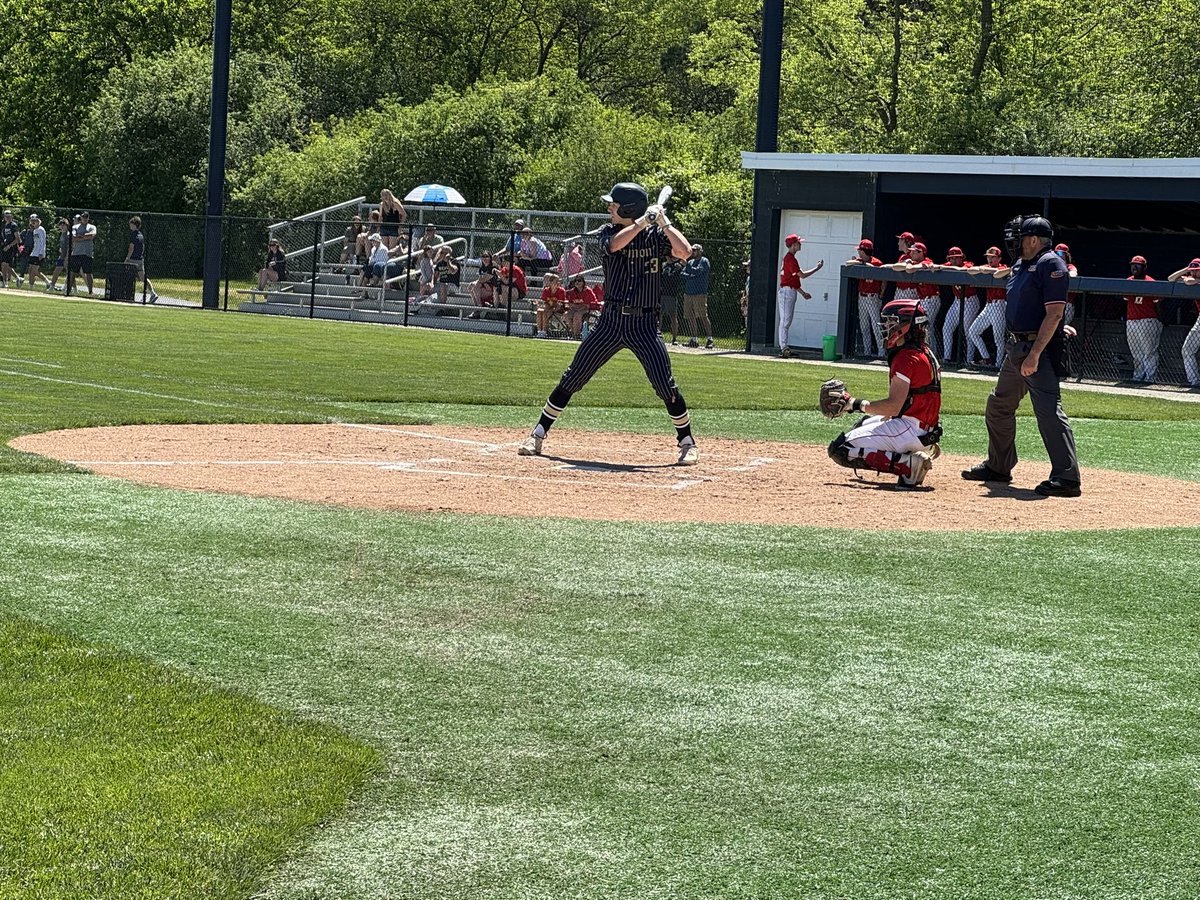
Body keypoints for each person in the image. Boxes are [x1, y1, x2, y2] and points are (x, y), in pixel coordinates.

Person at [517, 181, 699, 465]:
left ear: (627, 208)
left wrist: (664, 222)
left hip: (645, 323)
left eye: (614, 205)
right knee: (574, 376)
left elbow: (685, 252)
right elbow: (616, 245)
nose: (609, 209)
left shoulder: (655, 236)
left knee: (664, 384)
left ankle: (687, 442)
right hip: (611, 320)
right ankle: (538, 434)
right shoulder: (608, 232)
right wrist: (642, 221)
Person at [962, 215, 1081, 497]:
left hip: (1037, 350)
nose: (1013, 243)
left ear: (1032, 240)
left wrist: (1036, 354)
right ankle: (999, 466)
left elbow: (1054, 313)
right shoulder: (1020, 265)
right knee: (998, 405)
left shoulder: (1051, 263)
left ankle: (1067, 478)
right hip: (1016, 348)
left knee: (1049, 412)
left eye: (1018, 238)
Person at [826, 298, 941, 487]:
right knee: (862, 423)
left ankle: (908, 465)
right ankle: (911, 455)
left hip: (911, 429)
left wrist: (854, 403)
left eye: (891, 322)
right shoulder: (924, 351)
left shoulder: (906, 357)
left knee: (841, 448)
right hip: (923, 428)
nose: (886, 326)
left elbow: (894, 406)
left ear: (906, 325)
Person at [888, 242, 940, 355]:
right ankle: (930, 352)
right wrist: (907, 262)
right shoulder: (913, 261)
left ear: (921, 253)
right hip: (923, 299)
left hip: (932, 298)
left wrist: (910, 265)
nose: (911, 253)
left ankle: (932, 353)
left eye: (914, 251)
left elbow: (909, 270)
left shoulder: (927, 261)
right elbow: (895, 267)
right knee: (923, 327)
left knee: (927, 327)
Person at [777, 233, 823, 358]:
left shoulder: (790, 258)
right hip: (787, 292)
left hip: (789, 290)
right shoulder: (790, 259)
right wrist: (817, 268)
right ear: (793, 245)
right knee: (785, 321)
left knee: (786, 321)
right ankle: (783, 348)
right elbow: (802, 275)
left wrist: (802, 293)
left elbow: (793, 280)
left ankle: (784, 348)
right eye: (798, 243)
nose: (800, 244)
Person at [966, 246, 1009, 367]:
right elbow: (970, 271)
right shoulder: (986, 266)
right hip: (988, 305)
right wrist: (983, 269)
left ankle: (998, 365)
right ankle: (987, 358)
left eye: (993, 257)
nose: (990, 260)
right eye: (988, 257)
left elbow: (998, 274)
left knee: (998, 339)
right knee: (973, 331)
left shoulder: (1003, 267)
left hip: (1000, 305)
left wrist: (987, 270)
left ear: (999, 258)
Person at [935, 246, 977, 363]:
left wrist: (948, 267)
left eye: (956, 258)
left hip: (970, 301)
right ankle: (947, 358)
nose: (953, 261)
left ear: (962, 257)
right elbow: (936, 267)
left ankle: (969, 360)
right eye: (951, 258)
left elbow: (963, 270)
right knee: (947, 328)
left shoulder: (968, 264)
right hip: (957, 300)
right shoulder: (949, 265)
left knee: (968, 331)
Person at [1124, 254, 1160, 383]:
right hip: (1132, 319)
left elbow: (1158, 304)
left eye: (1138, 265)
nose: (1134, 267)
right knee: (1135, 351)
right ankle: (1137, 376)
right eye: (1133, 265)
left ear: (1144, 267)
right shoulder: (1128, 281)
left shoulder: (1150, 282)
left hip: (1148, 319)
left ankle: (1151, 378)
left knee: (1149, 351)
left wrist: (1159, 320)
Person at [845, 238, 884, 358]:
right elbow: (848, 263)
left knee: (876, 325)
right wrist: (860, 262)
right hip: (862, 296)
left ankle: (881, 352)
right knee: (864, 325)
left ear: (864, 251)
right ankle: (867, 352)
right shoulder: (859, 261)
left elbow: (884, 280)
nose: (858, 253)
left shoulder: (877, 262)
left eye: (860, 250)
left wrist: (881, 294)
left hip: (873, 297)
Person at [1169, 258, 1200, 387]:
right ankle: (1194, 381)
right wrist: (1187, 269)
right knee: (1187, 350)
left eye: (1197, 271)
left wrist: (1193, 280)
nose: (1194, 273)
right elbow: (1171, 279)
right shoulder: (1191, 275)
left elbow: (1191, 281)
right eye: (1192, 271)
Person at [682, 243, 714, 349]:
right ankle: (694, 339)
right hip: (688, 293)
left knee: (703, 316)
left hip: (700, 293)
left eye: (695, 250)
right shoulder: (690, 262)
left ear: (700, 251)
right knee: (690, 317)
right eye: (693, 250)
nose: (693, 252)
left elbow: (697, 271)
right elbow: (683, 274)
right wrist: (691, 274)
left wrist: (688, 268)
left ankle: (710, 339)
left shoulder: (704, 261)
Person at [124, 216, 159, 303]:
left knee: (127, 276)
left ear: (135, 225)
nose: (130, 226)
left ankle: (127, 295)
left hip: (133, 260)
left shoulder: (133, 235)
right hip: (140, 260)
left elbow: (131, 248)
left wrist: (127, 259)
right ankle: (152, 293)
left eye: (131, 224)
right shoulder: (141, 235)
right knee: (143, 278)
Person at [67, 211, 98, 295]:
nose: (84, 218)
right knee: (72, 272)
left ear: (88, 218)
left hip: (87, 253)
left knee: (88, 273)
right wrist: (85, 237)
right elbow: (73, 237)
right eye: (83, 217)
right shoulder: (75, 227)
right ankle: (68, 290)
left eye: (86, 217)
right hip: (76, 253)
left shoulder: (92, 227)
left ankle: (90, 291)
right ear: (81, 218)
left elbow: (92, 235)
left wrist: (80, 236)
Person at [563, 273, 596, 339]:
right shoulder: (572, 291)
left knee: (577, 315)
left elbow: (588, 304)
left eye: (579, 280)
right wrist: (576, 305)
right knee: (566, 316)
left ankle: (576, 335)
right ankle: (574, 332)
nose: (577, 282)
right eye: (575, 281)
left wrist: (577, 305)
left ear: (583, 282)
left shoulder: (588, 291)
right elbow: (570, 303)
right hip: (575, 309)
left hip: (587, 309)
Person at [659, 257, 683, 344]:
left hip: (671, 294)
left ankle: (674, 338)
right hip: (661, 294)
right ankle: (658, 335)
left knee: (673, 316)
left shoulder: (677, 266)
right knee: (659, 315)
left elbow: (675, 277)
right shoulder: (663, 265)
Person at [1054, 243, 1079, 325]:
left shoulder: (1069, 266)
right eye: (1056, 253)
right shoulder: (1051, 266)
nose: (1058, 255)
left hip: (1067, 303)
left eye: (1061, 253)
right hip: (1052, 302)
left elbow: (1073, 274)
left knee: (1062, 326)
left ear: (1066, 255)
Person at [536, 271, 566, 337]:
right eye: (556, 281)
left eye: (558, 281)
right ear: (550, 283)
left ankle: (544, 331)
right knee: (539, 311)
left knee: (545, 312)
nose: (558, 283)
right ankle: (539, 331)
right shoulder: (546, 290)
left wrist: (552, 307)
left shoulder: (561, 291)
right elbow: (544, 302)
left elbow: (560, 304)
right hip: (548, 308)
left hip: (558, 310)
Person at [24, 214, 50, 289]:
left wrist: (41, 253)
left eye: (35, 221)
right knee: (30, 270)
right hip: (34, 252)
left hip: (39, 253)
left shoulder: (41, 229)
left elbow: (43, 242)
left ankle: (32, 286)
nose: (33, 222)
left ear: (38, 221)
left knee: (34, 271)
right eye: (32, 221)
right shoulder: (35, 230)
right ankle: (46, 282)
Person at [45, 218, 71, 291]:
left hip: (67, 257)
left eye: (64, 225)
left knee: (69, 273)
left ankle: (70, 288)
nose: (62, 226)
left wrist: (66, 258)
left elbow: (69, 247)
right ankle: (52, 286)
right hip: (62, 256)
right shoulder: (62, 234)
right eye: (61, 225)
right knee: (56, 271)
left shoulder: (68, 235)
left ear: (67, 225)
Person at [0, 209, 20, 288]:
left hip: (11, 248)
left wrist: (9, 246)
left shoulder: (13, 225)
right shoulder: (4, 225)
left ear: (11, 216)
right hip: (4, 248)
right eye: (6, 216)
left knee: (5, 265)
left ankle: (5, 283)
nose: (7, 218)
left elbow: (17, 238)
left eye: (9, 216)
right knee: (4, 266)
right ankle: (16, 279)